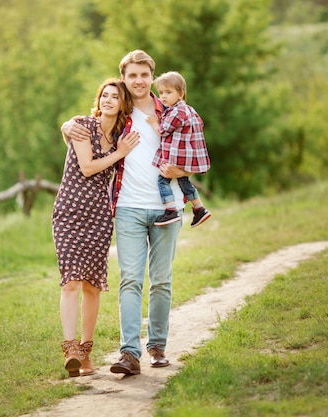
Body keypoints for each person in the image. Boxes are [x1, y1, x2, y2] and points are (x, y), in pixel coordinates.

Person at [62, 50, 192, 375]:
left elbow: (196, 149)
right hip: (129, 207)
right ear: (124, 78)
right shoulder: (119, 112)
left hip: (167, 207)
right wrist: (67, 126)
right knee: (130, 280)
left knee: (161, 280)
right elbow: (89, 125)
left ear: (152, 76)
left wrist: (182, 168)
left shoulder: (173, 110)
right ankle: (129, 354)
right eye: (132, 75)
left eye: (144, 75)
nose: (138, 81)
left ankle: (157, 346)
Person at [52, 78, 139, 377]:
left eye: (115, 96)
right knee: (71, 281)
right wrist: (119, 154)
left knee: (92, 286)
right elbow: (88, 166)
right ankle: (70, 349)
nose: (108, 100)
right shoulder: (81, 125)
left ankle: (86, 353)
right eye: (104, 94)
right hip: (69, 212)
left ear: (122, 104)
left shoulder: (121, 137)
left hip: (100, 217)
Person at [147, 71, 211, 228]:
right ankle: (199, 208)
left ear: (181, 93)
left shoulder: (177, 111)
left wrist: (154, 122)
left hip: (176, 156)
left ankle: (170, 210)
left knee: (162, 180)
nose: (163, 96)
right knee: (184, 181)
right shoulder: (189, 110)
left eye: (168, 92)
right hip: (186, 155)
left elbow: (163, 130)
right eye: (161, 92)